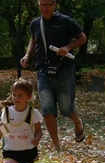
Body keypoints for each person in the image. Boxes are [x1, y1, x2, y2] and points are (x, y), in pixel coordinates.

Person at [20, 0, 87, 153]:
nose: (44, 8)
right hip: (43, 71)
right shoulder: (35, 24)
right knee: (48, 109)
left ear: (54, 4)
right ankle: (57, 146)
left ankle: (78, 123)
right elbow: (33, 41)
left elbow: (82, 37)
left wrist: (68, 47)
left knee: (66, 108)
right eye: (41, 5)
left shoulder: (65, 21)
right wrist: (27, 55)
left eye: (47, 4)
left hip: (64, 70)